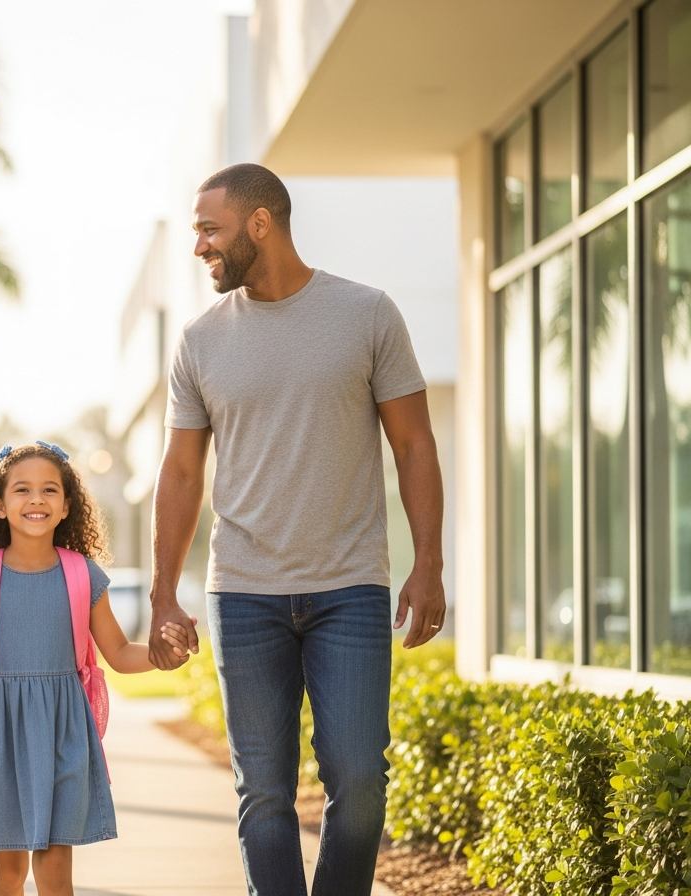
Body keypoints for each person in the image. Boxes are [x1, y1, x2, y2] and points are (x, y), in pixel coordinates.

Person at [146, 164, 446, 896]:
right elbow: (182, 474)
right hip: (244, 593)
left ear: (260, 223)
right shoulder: (199, 340)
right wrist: (161, 593)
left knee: (360, 779)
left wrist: (429, 562)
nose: (199, 248)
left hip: (349, 586)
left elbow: (414, 444)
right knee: (265, 792)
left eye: (209, 230)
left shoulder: (367, 314)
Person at [0, 442, 191, 896]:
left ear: (67, 506)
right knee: (7, 875)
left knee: (55, 873)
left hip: (63, 735)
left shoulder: (84, 575)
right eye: (22, 489)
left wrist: (162, 654)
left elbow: (120, 652)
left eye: (49, 490)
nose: (36, 499)